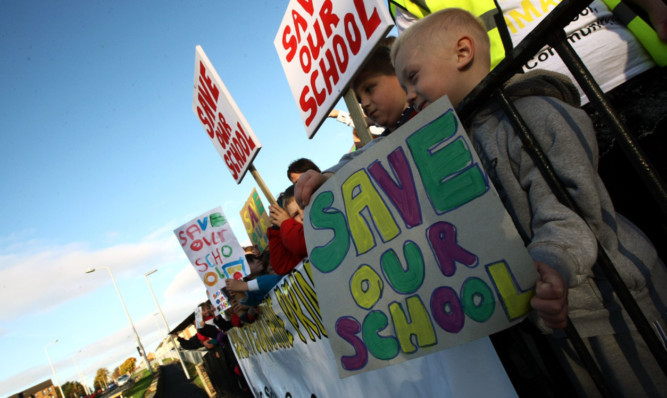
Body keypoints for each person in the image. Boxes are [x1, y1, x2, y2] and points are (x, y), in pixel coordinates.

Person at [388, 9, 666, 397]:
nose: (410, 95)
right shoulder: (456, 146)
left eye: (413, 77)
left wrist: (553, 262)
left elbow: (574, 209)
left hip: (616, 304)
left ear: (463, 52)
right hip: (556, 317)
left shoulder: (536, 112)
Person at [268, 185, 308, 275]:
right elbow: (282, 265)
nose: (303, 216)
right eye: (296, 214)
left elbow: (305, 244)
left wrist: (285, 223)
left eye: (304, 206)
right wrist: (277, 229)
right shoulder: (293, 235)